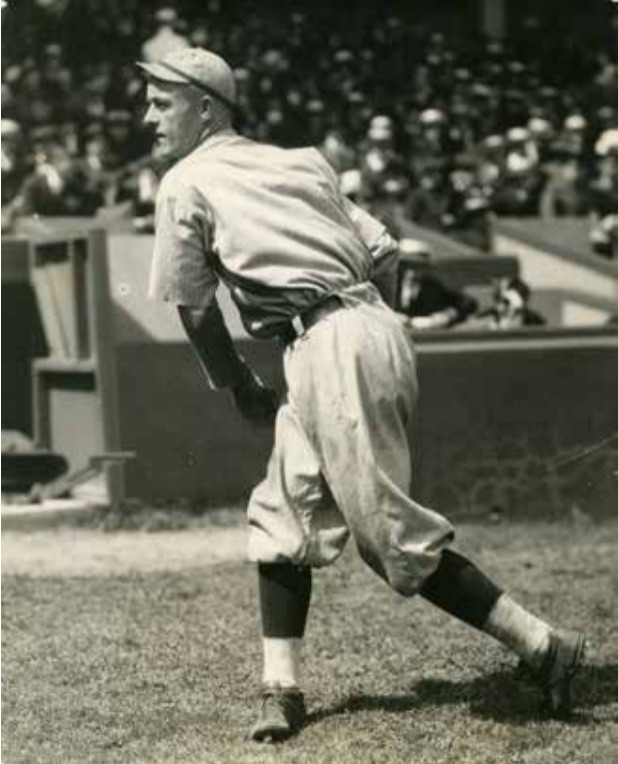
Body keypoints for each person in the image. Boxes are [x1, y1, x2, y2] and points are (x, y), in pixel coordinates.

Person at [139, 48, 586, 744]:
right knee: (282, 514)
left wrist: (239, 385)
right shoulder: (301, 161)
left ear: (206, 107)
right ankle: (281, 690)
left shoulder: (183, 182)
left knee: (390, 539)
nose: (147, 116)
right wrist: (354, 317)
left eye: (160, 101)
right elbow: (383, 250)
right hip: (355, 326)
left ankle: (540, 643)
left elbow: (196, 311)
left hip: (330, 340)